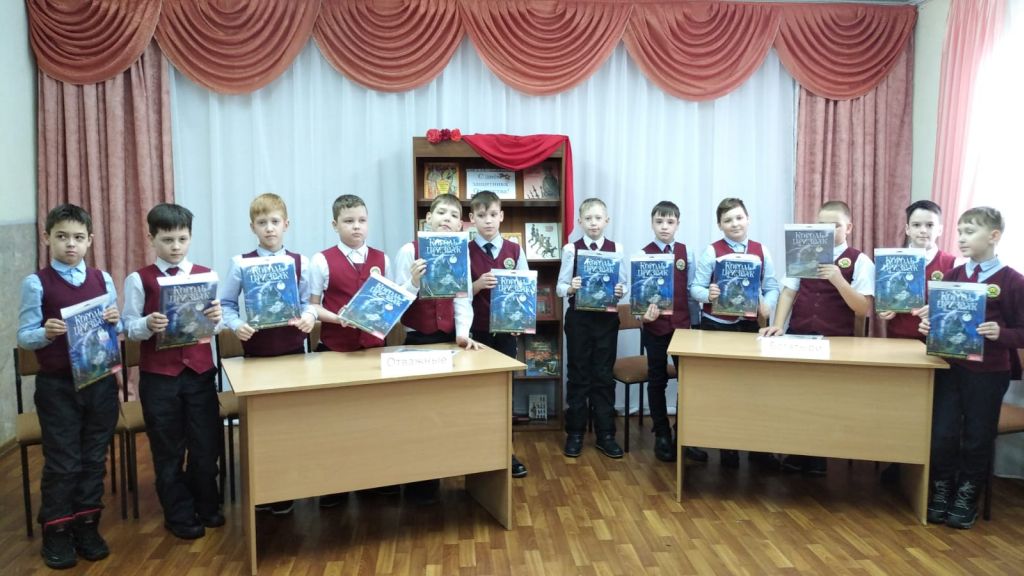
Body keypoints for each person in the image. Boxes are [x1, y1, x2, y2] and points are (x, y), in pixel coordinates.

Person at [17, 204, 121, 569]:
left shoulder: (102, 279)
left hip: (100, 382)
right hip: (58, 386)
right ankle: (57, 530)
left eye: (78, 237)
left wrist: (116, 320)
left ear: (90, 240)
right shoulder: (37, 283)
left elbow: (116, 330)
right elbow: (24, 336)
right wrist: (44, 332)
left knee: (94, 458)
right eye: (62, 237)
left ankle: (87, 525)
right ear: (48, 238)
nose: (70, 244)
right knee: (63, 462)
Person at [917, 207, 1024, 529]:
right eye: (960, 232)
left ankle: (966, 496)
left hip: (989, 374)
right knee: (943, 434)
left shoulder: (1013, 281)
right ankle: (941, 490)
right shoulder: (952, 277)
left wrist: (1001, 333)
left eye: (970, 232)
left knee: (978, 436)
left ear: (993, 236)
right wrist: (928, 328)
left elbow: (1021, 331)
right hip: (949, 370)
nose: (962, 238)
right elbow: (941, 324)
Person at [123, 203, 224, 540]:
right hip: (159, 378)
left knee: (206, 443)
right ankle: (178, 514)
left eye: (182, 239)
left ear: (190, 237)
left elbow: (216, 326)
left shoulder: (206, 274)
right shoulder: (140, 279)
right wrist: (147, 324)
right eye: (167, 240)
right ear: (151, 238)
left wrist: (217, 318)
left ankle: (206, 503)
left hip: (199, 372)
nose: (176, 246)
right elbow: (128, 326)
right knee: (168, 448)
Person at [218, 193, 317, 515]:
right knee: (259, 425)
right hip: (258, 355)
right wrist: (237, 325)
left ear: (286, 224)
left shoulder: (300, 262)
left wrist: (309, 317)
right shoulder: (241, 263)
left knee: (289, 423)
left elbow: (308, 303)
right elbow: (226, 304)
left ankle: (286, 488)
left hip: (293, 353)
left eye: (275, 222)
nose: (269, 228)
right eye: (262, 223)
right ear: (253, 227)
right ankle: (261, 490)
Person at [760, 200, 875, 475]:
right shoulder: (803, 252)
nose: (828, 230)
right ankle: (798, 451)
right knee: (796, 396)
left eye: (835, 225)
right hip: (800, 334)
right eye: (822, 224)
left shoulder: (860, 260)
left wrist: (838, 279)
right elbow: (789, 291)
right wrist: (778, 325)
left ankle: (818, 456)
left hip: (837, 340)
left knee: (824, 400)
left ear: (848, 227)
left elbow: (863, 308)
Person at [395, 193, 482, 502]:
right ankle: (420, 483)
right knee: (419, 416)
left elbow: (463, 297)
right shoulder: (409, 250)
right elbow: (396, 302)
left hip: (448, 342)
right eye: (441, 212)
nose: (447, 218)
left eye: (454, 215)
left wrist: (463, 334)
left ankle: (451, 471)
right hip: (417, 343)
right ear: (428, 218)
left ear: (461, 225)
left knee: (446, 414)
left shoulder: (461, 252)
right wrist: (413, 282)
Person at [691, 197, 780, 469]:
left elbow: (772, 286)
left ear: (748, 219)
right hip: (717, 326)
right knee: (723, 388)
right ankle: (727, 446)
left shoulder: (761, 250)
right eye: (728, 220)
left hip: (751, 327)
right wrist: (708, 294)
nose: (735, 224)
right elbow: (695, 288)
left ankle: (756, 447)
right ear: (720, 225)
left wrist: (768, 304)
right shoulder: (712, 251)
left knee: (753, 389)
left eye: (739, 217)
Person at [557, 198, 629, 459]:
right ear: (580, 222)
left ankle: (605, 434)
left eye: (598, 218)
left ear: (606, 221)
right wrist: (571, 287)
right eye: (588, 219)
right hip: (579, 320)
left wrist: (620, 290)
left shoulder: (616, 248)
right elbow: (560, 287)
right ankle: (575, 433)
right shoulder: (571, 249)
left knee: (603, 375)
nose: (593, 223)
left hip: (606, 321)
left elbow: (624, 285)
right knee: (578, 374)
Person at [635, 201, 706, 463]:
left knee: (687, 381)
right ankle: (662, 433)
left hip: (683, 327)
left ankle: (684, 434)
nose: (664, 227)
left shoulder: (687, 253)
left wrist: (695, 326)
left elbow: (692, 292)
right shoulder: (643, 254)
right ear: (652, 223)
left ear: (678, 224)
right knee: (657, 380)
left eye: (670, 222)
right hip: (654, 329)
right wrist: (642, 316)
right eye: (659, 222)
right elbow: (638, 296)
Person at [468, 191, 529, 478]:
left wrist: (522, 320)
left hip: (505, 333)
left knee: (505, 392)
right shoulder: (463, 251)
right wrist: (477, 285)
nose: (488, 221)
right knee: (477, 393)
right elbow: (454, 295)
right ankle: (478, 453)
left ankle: (507, 452)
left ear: (502, 216)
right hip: (475, 333)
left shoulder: (515, 251)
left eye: (493, 214)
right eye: (481, 216)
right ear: (472, 219)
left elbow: (525, 290)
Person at [879, 200, 957, 339]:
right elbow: (885, 301)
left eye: (930, 225)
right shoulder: (889, 262)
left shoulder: (953, 264)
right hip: (897, 339)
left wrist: (937, 310)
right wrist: (885, 309)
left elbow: (960, 309)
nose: (923, 230)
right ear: (907, 229)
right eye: (916, 225)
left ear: (940, 229)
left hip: (936, 343)